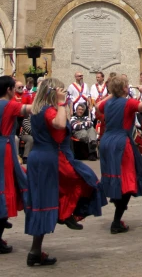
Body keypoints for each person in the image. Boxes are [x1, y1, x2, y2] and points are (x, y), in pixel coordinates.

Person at [25, 77, 106, 267]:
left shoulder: (39, 109)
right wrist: (61, 103)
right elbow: (60, 125)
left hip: (41, 157)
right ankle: (63, 216)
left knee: (51, 197)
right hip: (50, 158)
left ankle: (60, 220)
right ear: (53, 92)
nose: (65, 94)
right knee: (84, 180)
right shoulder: (49, 110)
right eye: (61, 91)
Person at [97, 75, 142, 233]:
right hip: (120, 142)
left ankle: (116, 202)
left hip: (106, 141)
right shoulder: (128, 102)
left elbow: (97, 106)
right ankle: (116, 221)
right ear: (125, 88)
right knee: (126, 178)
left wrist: (112, 93)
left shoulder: (108, 103)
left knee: (115, 175)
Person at [0, 75, 32, 255]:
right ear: (9, 90)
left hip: (4, 145)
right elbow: (30, 110)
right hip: (4, 148)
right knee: (6, 185)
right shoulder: (10, 105)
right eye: (14, 88)